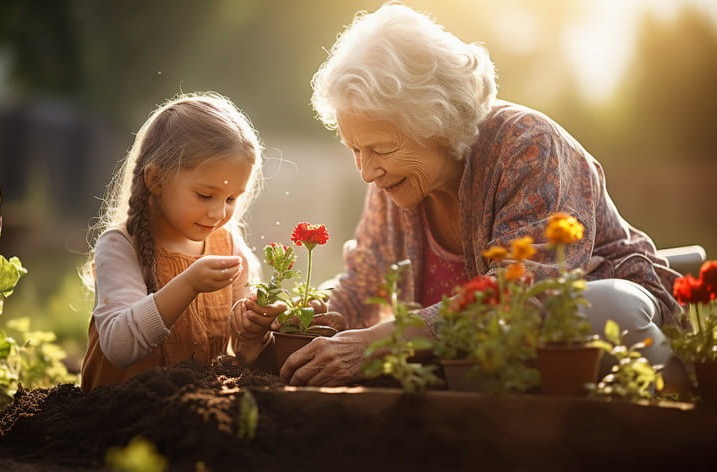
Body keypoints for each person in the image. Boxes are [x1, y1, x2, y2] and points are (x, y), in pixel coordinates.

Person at [280, 2, 690, 391]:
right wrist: (300, 315)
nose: (367, 172)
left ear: (435, 122)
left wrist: (381, 340)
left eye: (380, 149)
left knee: (599, 310)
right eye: (356, 149)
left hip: (603, 321)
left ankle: (676, 391)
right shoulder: (396, 181)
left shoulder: (528, 143)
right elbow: (361, 287)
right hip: (492, 369)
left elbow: (529, 295)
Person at [80, 92, 285, 391]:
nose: (218, 212)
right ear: (156, 180)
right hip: (120, 418)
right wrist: (189, 284)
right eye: (205, 195)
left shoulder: (228, 247)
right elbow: (120, 347)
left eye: (231, 199)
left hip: (191, 418)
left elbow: (245, 354)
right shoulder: (121, 246)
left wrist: (253, 332)